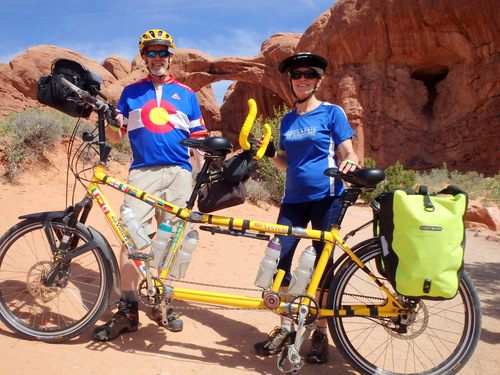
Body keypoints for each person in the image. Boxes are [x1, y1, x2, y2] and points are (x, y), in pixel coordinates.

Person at [93, 29, 208, 341]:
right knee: (130, 239)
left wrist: (204, 175)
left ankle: (162, 303)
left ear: (170, 56)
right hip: (142, 172)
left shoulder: (186, 94)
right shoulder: (131, 93)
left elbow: (198, 140)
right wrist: (106, 121)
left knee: (173, 242)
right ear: (144, 57)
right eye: (151, 52)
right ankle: (128, 310)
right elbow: (119, 135)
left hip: (180, 174)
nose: (157, 58)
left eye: (162, 52)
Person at [254, 52, 360, 364]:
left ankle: (321, 333)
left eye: (309, 74)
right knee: (280, 260)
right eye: (297, 75)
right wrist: (271, 152)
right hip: (293, 199)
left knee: (321, 267)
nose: (303, 79)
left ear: (318, 80)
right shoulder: (288, 119)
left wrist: (351, 158)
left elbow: (347, 150)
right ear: (291, 80)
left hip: (327, 196)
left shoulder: (332, 112)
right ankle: (287, 327)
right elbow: (286, 164)